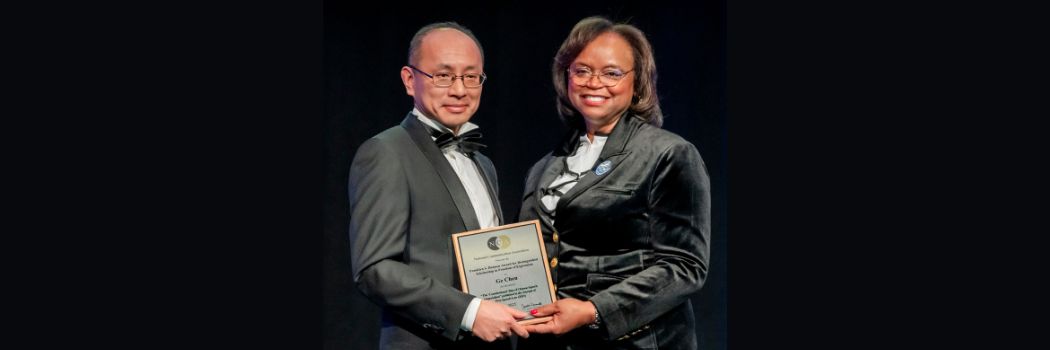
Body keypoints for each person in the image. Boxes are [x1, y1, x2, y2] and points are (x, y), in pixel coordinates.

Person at [518, 16, 711, 350]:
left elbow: (685, 267)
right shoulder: (544, 168)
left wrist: (594, 311)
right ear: (566, 78)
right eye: (581, 71)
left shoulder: (669, 153)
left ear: (637, 82)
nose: (594, 82)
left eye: (611, 73)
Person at [348, 22, 530, 350]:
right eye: (443, 76)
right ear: (409, 79)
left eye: (471, 76)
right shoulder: (386, 152)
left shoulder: (483, 164)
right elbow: (375, 269)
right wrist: (470, 312)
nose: (459, 90)